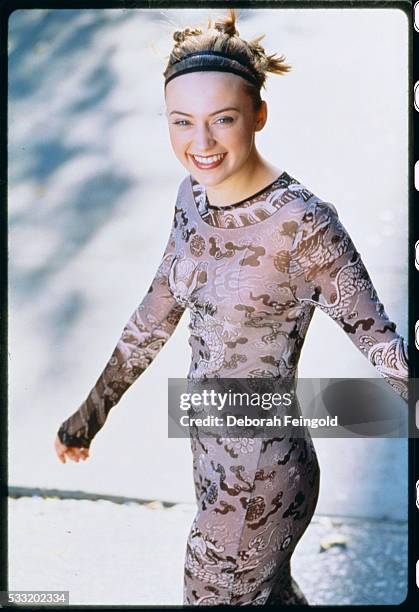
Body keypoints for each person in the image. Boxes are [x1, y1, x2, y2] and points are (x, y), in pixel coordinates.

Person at [54, 9, 409, 606]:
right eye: (181, 122)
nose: (201, 143)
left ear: (258, 116)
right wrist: (92, 413)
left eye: (222, 120)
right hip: (211, 461)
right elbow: (154, 313)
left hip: (262, 481)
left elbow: (381, 342)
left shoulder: (304, 224)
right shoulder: (191, 195)